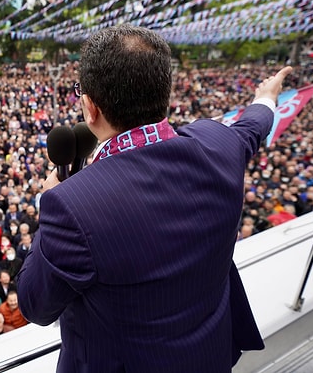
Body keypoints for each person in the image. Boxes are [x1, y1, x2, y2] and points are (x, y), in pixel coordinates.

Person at [17, 24, 293, 372]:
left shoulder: (73, 206)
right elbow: (250, 129)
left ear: (90, 108)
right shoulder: (218, 144)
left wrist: (48, 205)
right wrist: (266, 98)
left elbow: (34, 305)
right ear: (165, 91)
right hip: (210, 358)